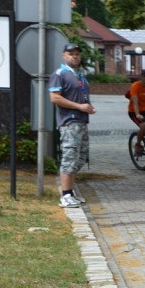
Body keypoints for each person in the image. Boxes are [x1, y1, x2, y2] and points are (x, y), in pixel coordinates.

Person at [49, 43, 96, 207]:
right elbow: (55, 98)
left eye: (77, 54)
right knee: (69, 157)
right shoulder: (60, 73)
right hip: (69, 121)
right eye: (71, 54)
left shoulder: (80, 75)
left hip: (81, 121)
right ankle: (65, 195)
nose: (74, 56)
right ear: (64, 55)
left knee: (80, 157)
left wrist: (87, 107)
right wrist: (79, 106)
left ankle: (70, 192)